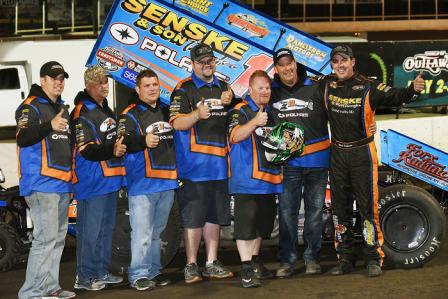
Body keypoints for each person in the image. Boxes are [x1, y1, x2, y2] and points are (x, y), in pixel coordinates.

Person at [316, 45, 425, 277]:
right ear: (331, 64)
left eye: (344, 60)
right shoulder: (325, 84)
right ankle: (344, 258)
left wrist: (412, 90)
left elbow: (395, 95)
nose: (340, 65)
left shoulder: (368, 85)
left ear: (353, 61)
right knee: (339, 209)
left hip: (362, 152)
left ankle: (373, 258)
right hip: (337, 153)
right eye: (335, 61)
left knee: (367, 208)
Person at [169, 43, 236, 283]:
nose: (207, 65)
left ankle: (210, 262)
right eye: (202, 62)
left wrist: (231, 101)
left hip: (219, 166)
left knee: (214, 217)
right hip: (193, 168)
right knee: (193, 219)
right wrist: (197, 114)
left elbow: (234, 120)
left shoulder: (224, 88)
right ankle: (190, 264)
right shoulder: (183, 90)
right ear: (193, 64)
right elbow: (176, 123)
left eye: (210, 61)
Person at [16, 61, 75, 299]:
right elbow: (23, 137)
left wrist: (70, 182)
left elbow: (67, 147)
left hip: (61, 184)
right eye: (54, 77)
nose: (59, 81)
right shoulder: (30, 106)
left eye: (62, 77)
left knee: (57, 240)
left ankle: (50, 287)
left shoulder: (61, 108)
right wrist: (49, 125)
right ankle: (30, 292)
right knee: (45, 239)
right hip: (41, 184)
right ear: (42, 80)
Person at [269, 48, 330, 278]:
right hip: (289, 164)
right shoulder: (271, 91)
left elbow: (341, 110)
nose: (287, 68)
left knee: (315, 212)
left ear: (295, 63)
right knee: (286, 213)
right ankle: (287, 261)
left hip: (317, 162)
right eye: (281, 65)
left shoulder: (317, 86)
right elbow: (249, 104)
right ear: (276, 69)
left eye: (289, 63)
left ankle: (312, 258)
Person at [118, 69, 178, 291]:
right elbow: (123, 140)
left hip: (168, 182)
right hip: (142, 184)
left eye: (155, 84)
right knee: (142, 234)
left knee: (157, 233)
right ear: (137, 89)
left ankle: (153, 271)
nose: (152, 88)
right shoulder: (129, 114)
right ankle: (139, 275)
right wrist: (143, 140)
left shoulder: (166, 112)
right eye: (147, 85)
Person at [70, 66, 126, 290]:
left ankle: (101, 271)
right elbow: (86, 149)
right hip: (91, 181)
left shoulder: (104, 109)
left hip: (109, 181)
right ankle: (84, 277)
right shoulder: (82, 111)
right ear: (88, 85)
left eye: (105, 81)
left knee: (105, 230)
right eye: (99, 82)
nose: (104, 86)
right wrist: (112, 151)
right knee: (89, 232)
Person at [227, 70, 283, 288]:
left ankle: (256, 261)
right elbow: (234, 136)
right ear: (250, 89)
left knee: (262, 226)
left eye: (267, 88)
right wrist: (255, 122)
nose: (265, 91)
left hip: (269, 180)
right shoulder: (239, 110)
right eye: (260, 87)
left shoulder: (272, 111)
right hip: (246, 181)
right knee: (245, 227)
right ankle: (246, 268)